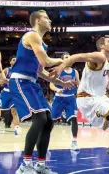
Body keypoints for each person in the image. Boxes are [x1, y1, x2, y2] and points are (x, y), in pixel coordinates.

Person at [50, 35, 109, 173]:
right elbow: (77, 57)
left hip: (99, 97)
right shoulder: (99, 57)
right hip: (87, 99)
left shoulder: (108, 64)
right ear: (102, 46)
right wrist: (62, 66)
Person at [10, 10, 76, 174]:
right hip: (20, 80)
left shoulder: (42, 43)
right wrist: (64, 60)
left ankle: (40, 164)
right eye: (47, 18)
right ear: (38, 21)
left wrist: (61, 82)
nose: (50, 21)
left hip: (32, 82)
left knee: (48, 121)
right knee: (39, 118)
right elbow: (45, 61)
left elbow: (40, 71)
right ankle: (25, 165)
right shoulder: (32, 35)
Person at [49, 53, 80, 151]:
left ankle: (74, 142)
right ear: (62, 60)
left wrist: (81, 90)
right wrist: (57, 89)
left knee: (74, 119)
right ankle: (46, 138)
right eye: (66, 57)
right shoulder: (58, 71)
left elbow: (78, 84)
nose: (69, 59)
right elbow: (51, 85)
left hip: (70, 98)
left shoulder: (75, 72)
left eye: (69, 57)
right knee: (52, 120)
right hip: (59, 98)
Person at [0, 56, 21, 135]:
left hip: (15, 94)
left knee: (14, 111)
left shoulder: (20, 71)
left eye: (16, 60)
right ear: (10, 62)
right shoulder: (7, 70)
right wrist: (4, 81)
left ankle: (17, 128)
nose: (15, 61)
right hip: (5, 93)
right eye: (13, 60)